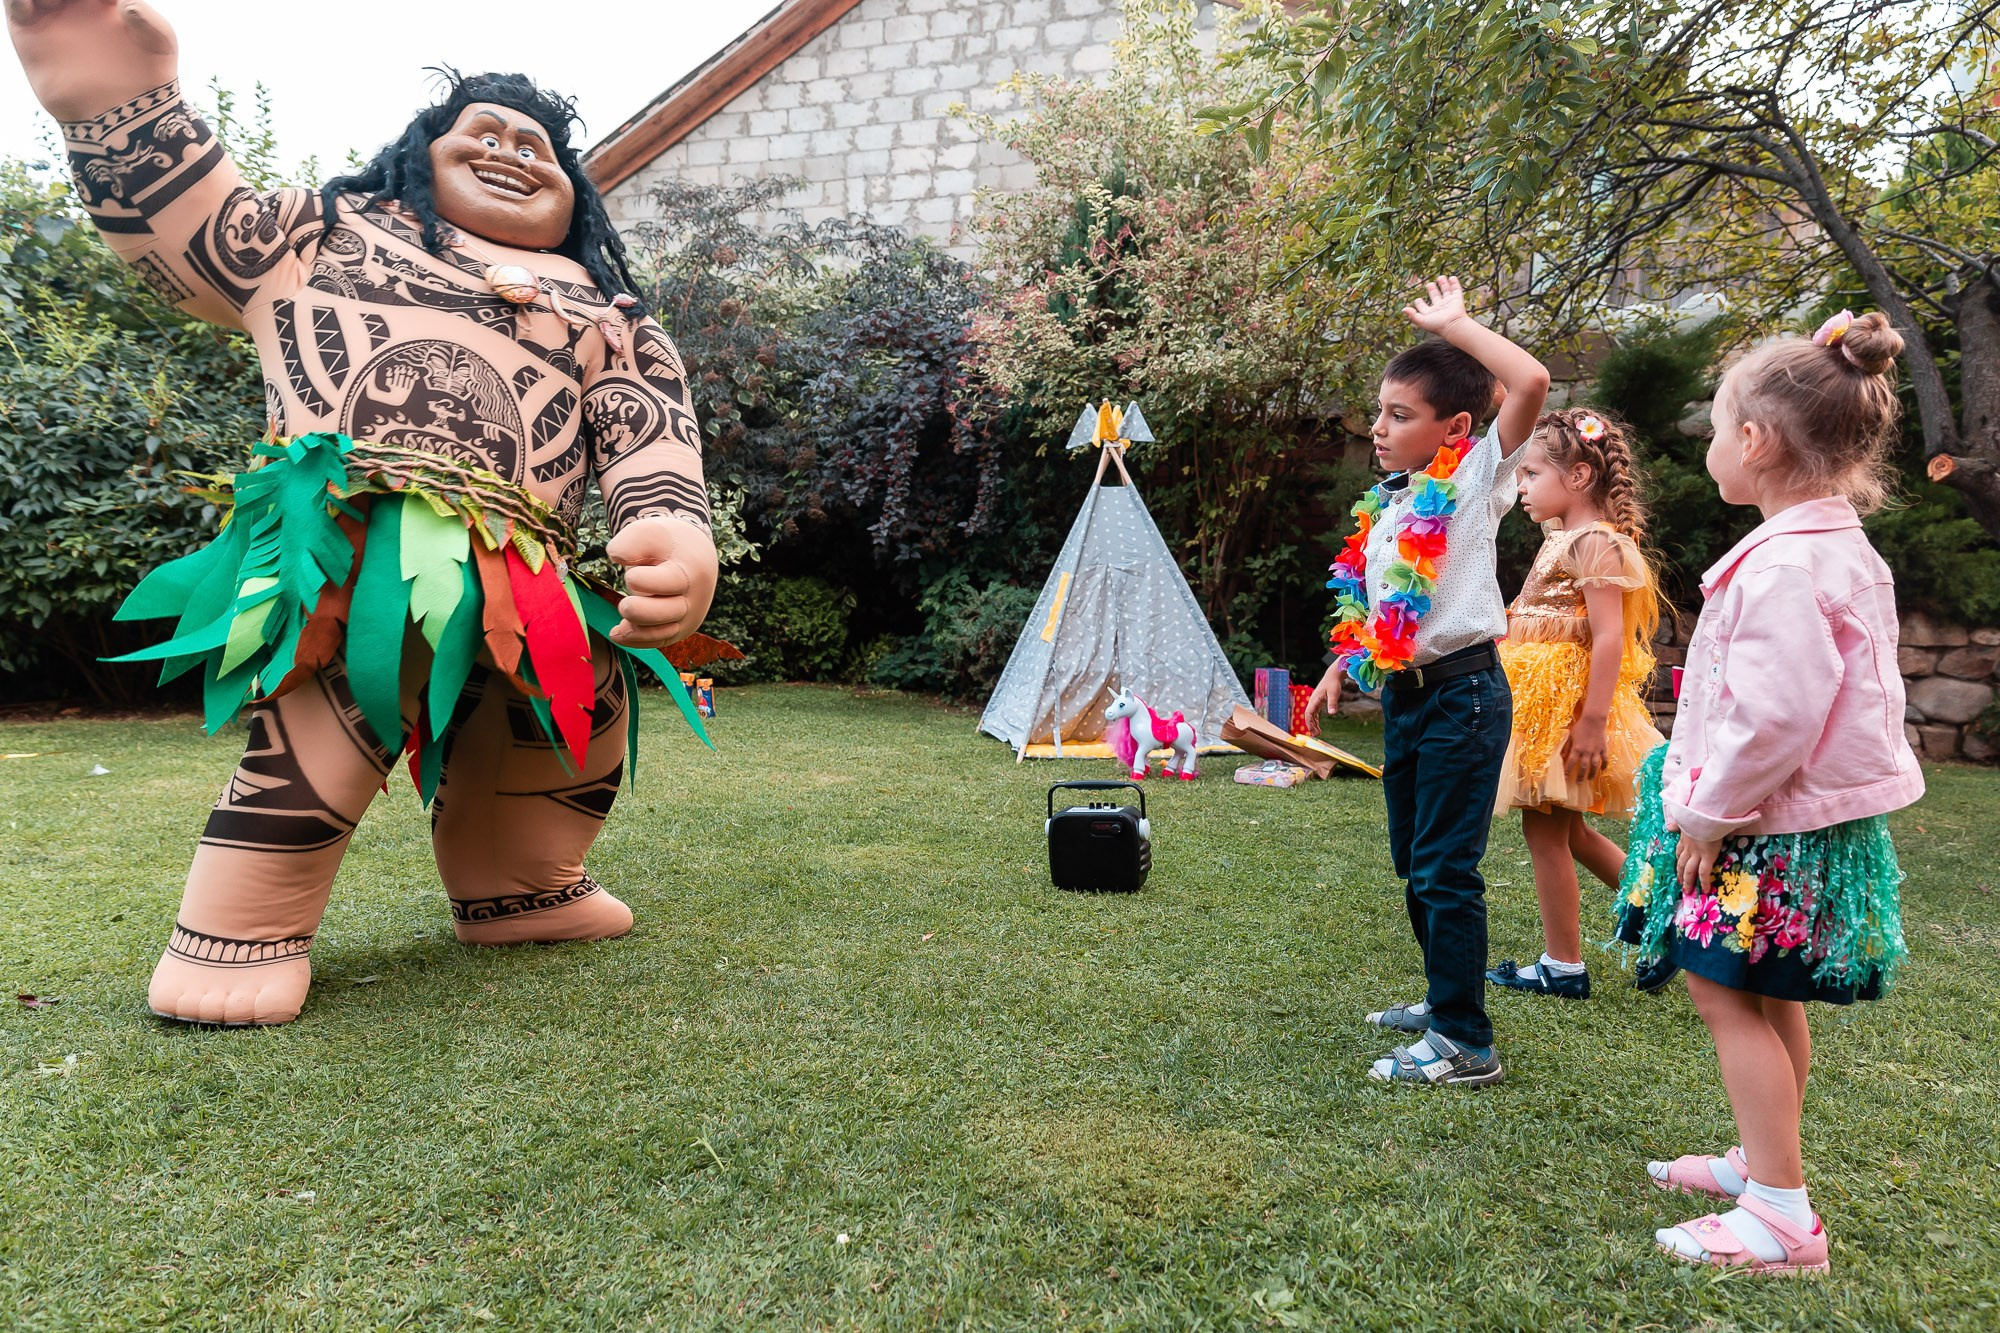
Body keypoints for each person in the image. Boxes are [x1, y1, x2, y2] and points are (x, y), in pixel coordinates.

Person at [6, 0, 720, 1025]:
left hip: (534, 574)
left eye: (540, 149)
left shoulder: (605, 314)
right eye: (483, 133)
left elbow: (650, 431)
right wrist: (116, 96)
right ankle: (237, 926)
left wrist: (673, 535)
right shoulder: (326, 231)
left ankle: (517, 882)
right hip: (363, 539)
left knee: (576, 721)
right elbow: (194, 232)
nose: (513, 152)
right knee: (337, 709)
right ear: (416, 153)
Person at [1618, 310, 1924, 1274]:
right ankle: (1763, 1166)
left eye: (1715, 428)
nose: (1712, 446)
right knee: (1766, 986)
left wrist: (1709, 812)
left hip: (1760, 824)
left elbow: (1777, 714)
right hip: (1794, 818)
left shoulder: (1788, 562)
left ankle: (1782, 1217)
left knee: (1723, 991)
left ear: (1752, 442)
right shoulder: (1832, 547)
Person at [1305, 276, 1550, 1087]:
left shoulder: (1476, 480)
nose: (1378, 427)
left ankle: (1464, 1040)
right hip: (1408, 700)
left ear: (1454, 428)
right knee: (1417, 859)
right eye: (1379, 411)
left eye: (1398, 415)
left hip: (1464, 697)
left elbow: (1533, 382)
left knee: (1446, 865)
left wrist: (1458, 325)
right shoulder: (1391, 504)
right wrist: (1350, 659)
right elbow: (1389, 613)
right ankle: (1446, 997)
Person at [1484, 409, 1664, 1000]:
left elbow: (1609, 636)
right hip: (1540, 695)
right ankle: (1667, 918)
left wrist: (1590, 724)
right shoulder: (1564, 537)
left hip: (1563, 705)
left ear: (1581, 476)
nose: (1522, 486)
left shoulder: (1593, 542)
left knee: (1547, 835)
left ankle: (1563, 965)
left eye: (1532, 473)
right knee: (1572, 834)